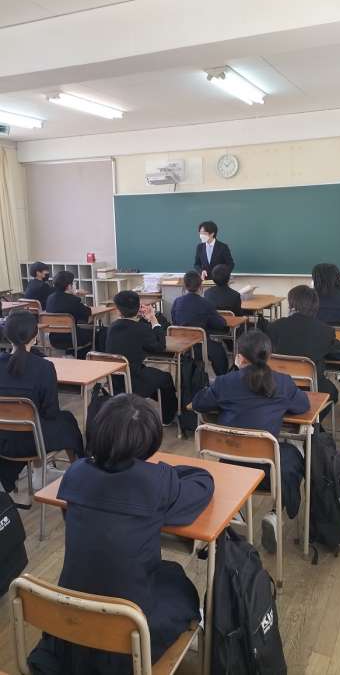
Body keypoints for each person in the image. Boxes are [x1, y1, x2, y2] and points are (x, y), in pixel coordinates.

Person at [28, 395, 214, 673]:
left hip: (69, 622)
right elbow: (203, 482)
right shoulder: (157, 482)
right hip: (128, 639)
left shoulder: (75, 472)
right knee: (180, 585)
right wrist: (165, 471)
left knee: (161, 573)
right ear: (151, 441)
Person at [192, 330, 309, 553]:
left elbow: (199, 403)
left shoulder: (225, 383)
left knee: (254, 449)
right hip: (269, 474)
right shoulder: (282, 382)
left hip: (229, 468)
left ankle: (232, 511)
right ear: (269, 356)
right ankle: (275, 513)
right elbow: (303, 406)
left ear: (240, 357)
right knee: (293, 454)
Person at [0, 311, 83, 495]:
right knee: (67, 420)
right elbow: (50, 412)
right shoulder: (44, 367)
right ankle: (75, 475)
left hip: (3, 440)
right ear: (35, 336)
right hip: (33, 442)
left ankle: (36, 473)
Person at [267, 285, 340, 415]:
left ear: (292, 305)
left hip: (278, 386)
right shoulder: (324, 331)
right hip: (312, 388)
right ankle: (314, 423)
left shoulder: (274, 326)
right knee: (333, 392)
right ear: (315, 307)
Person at [106, 291, 177, 425]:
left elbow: (132, 333)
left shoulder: (111, 328)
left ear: (118, 310)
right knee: (165, 378)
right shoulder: (141, 329)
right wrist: (153, 320)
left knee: (153, 376)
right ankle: (167, 418)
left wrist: (143, 319)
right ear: (138, 307)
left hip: (114, 381)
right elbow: (160, 346)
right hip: (134, 380)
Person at [171, 271, 229, 375]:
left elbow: (174, 321)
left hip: (181, 345)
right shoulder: (205, 303)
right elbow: (221, 324)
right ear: (200, 286)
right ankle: (222, 379)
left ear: (185, 286)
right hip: (200, 346)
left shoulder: (177, 302)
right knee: (219, 350)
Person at [46, 270, 93, 356]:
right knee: (96, 333)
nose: (75, 285)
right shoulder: (73, 300)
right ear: (69, 286)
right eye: (74, 283)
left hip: (54, 339)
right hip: (72, 338)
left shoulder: (50, 298)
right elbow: (89, 318)